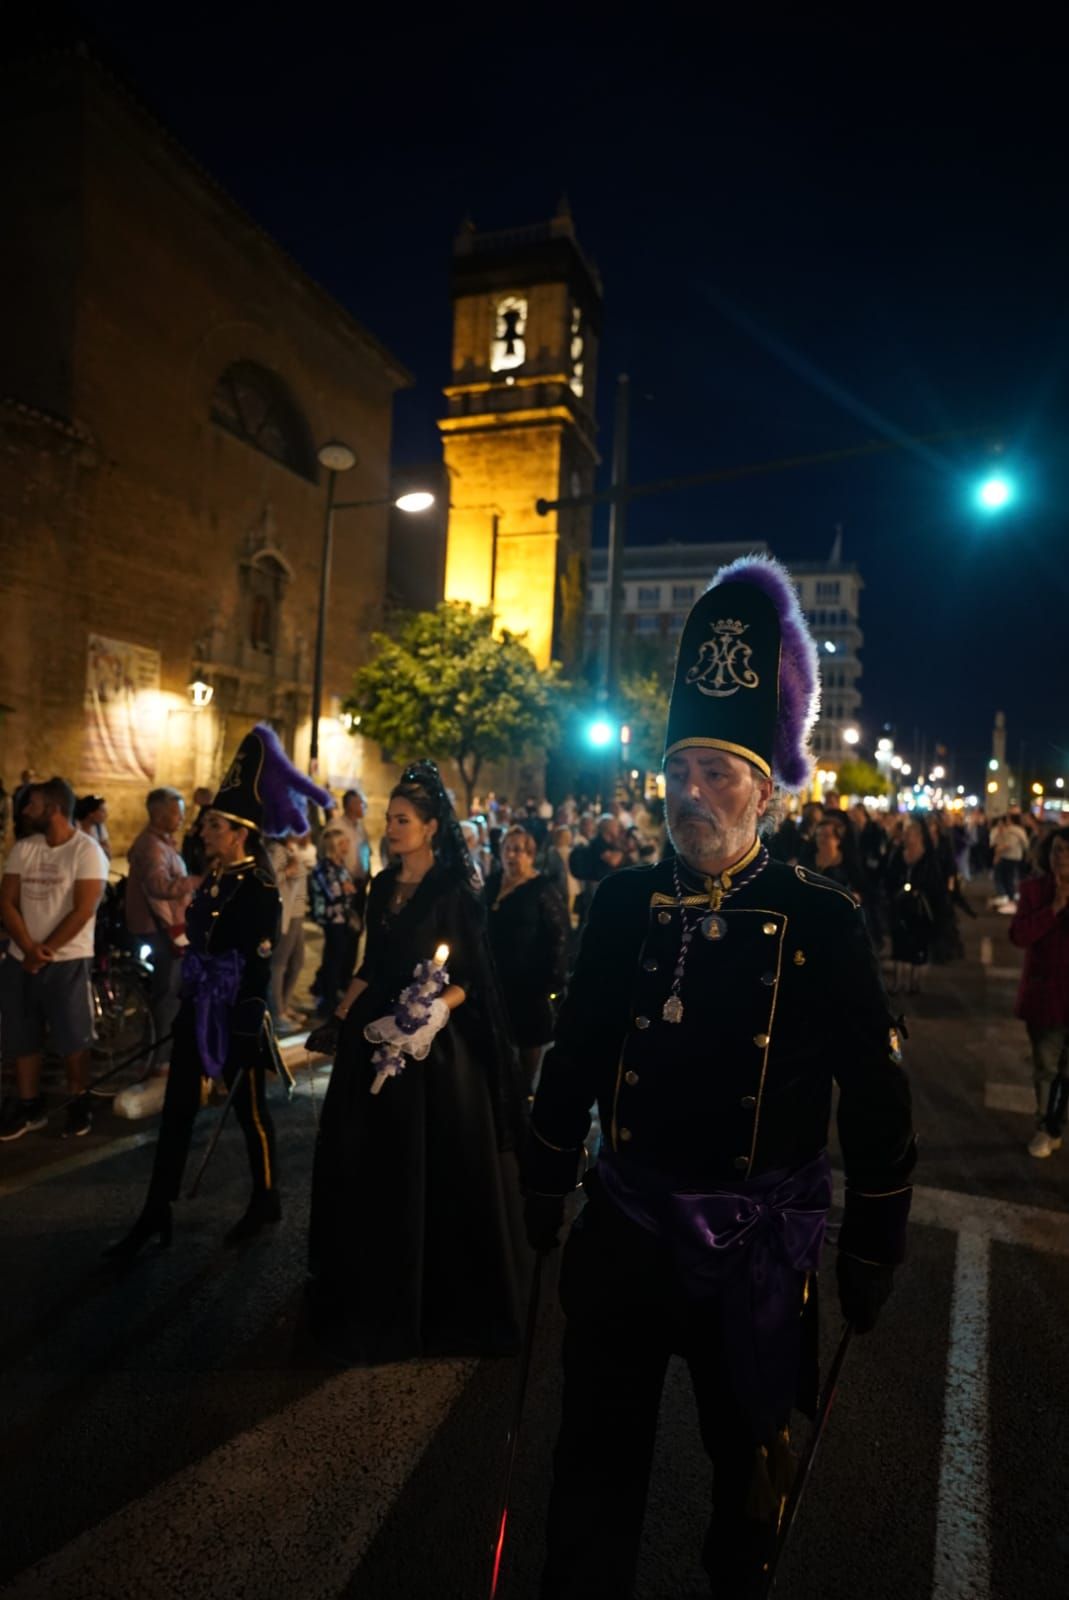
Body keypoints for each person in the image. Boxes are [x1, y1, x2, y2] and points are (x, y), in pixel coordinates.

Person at [521, 555, 915, 1600]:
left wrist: (876, 1231)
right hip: (625, 1232)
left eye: (719, 772)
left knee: (747, 1482)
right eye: (679, 769)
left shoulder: (820, 916)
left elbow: (873, 1089)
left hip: (750, 1254)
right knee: (590, 1473)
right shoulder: (619, 901)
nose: (691, 794)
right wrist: (543, 1168)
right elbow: (579, 1049)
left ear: (768, 785)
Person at [305, 760, 527, 1362]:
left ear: (431, 828)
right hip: (376, 1032)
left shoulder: (456, 891)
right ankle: (373, 1286)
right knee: (369, 1163)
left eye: (403, 820)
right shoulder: (380, 887)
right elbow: (371, 963)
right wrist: (342, 1016)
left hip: (436, 1050)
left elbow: (472, 979)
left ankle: (438, 1295)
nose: (392, 827)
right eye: (389, 818)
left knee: (435, 1165)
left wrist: (434, 1011)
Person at [103, 726, 329, 1259]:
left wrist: (248, 1013)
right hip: (198, 1007)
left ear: (239, 833)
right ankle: (155, 1212)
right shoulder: (216, 877)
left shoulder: (259, 887)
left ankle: (266, 1196)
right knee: (178, 1112)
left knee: (250, 1112)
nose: (203, 830)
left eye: (213, 825)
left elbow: (257, 959)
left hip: (236, 1014)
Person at [0, 778, 108, 1140]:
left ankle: (79, 1103)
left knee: (73, 1038)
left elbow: (84, 908)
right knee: (22, 1033)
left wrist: (44, 951)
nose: (25, 811)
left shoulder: (86, 851)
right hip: (21, 959)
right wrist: (28, 948)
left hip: (68, 960)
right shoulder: (25, 848)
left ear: (55, 808)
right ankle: (30, 1105)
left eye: (32, 805)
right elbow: (6, 902)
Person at [486, 825, 570, 1094]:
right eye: (508, 849)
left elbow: (560, 936)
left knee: (525, 1055)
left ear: (531, 855)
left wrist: (553, 981)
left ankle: (523, 1107)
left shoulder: (541, 888)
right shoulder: (492, 883)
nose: (512, 855)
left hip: (529, 986)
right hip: (494, 982)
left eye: (519, 850)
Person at [126, 786, 199, 1073]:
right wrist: (193, 882)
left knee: (170, 990)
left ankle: (162, 1049)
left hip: (167, 924)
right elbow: (159, 886)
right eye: (175, 812)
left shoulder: (163, 843)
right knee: (167, 992)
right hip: (158, 926)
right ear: (157, 814)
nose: (181, 818)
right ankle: (160, 1059)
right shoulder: (152, 846)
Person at [1010, 826, 1069, 1158]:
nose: (1061, 857)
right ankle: (1045, 1127)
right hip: (1046, 995)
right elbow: (1019, 935)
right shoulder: (1034, 890)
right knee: (1046, 1068)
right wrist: (1054, 909)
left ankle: (1057, 1123)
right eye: (1057, 849)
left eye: (1067, 851)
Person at [885, 819, 949, 993]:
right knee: (899, 944)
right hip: (900, 905)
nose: (905, 837)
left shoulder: (928, 858)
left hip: (921, 908)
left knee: (918, 944)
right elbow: (889, 877)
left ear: (920, 836)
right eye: (905, 833)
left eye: (910, 833)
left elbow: (936, 885)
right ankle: (899, 981)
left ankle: (915, 981)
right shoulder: (898, 854)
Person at [309, 828, 362, 1020]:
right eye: (344, 842)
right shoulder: (325, 867)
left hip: (342, 917)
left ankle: (324, 989)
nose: (348, 846)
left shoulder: (339, 866)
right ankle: (327, 999)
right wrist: (346, 888)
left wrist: (347, 888)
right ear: (336, 846)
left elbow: (350, 888)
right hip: (332, 919)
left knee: (338, 956)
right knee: (333, 957)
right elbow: (336, 892)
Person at [268, 831, 317, 1025]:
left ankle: (285, 1005)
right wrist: (288, 870)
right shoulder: (276, 850)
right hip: (285, 912)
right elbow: (272, 879)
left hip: (297, 911)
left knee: (297, 961)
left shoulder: (292, 849)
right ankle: (277, 1012)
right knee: (279, 963)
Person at [181, 786, 215, 877]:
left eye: (196, 796)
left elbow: (196, 829)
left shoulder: (206, 811)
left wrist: (189, 834)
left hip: (200, 847)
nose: (194, 798)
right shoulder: (209, 810)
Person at [74, 794, 112, 859]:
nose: (106, 814)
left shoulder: (99, 827)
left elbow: (108, 854)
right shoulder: (74, 826)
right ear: (90, 813)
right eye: (102, 811)